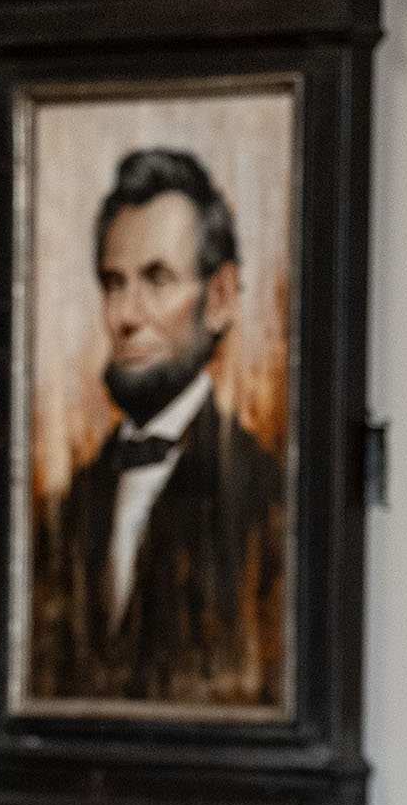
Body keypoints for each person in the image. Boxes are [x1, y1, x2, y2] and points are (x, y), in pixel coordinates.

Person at [26, 147, 287, 710]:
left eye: (157, 280)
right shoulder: (67, 509)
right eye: (114, 283)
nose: (125, 315)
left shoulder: (270, 499)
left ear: (219, 298)